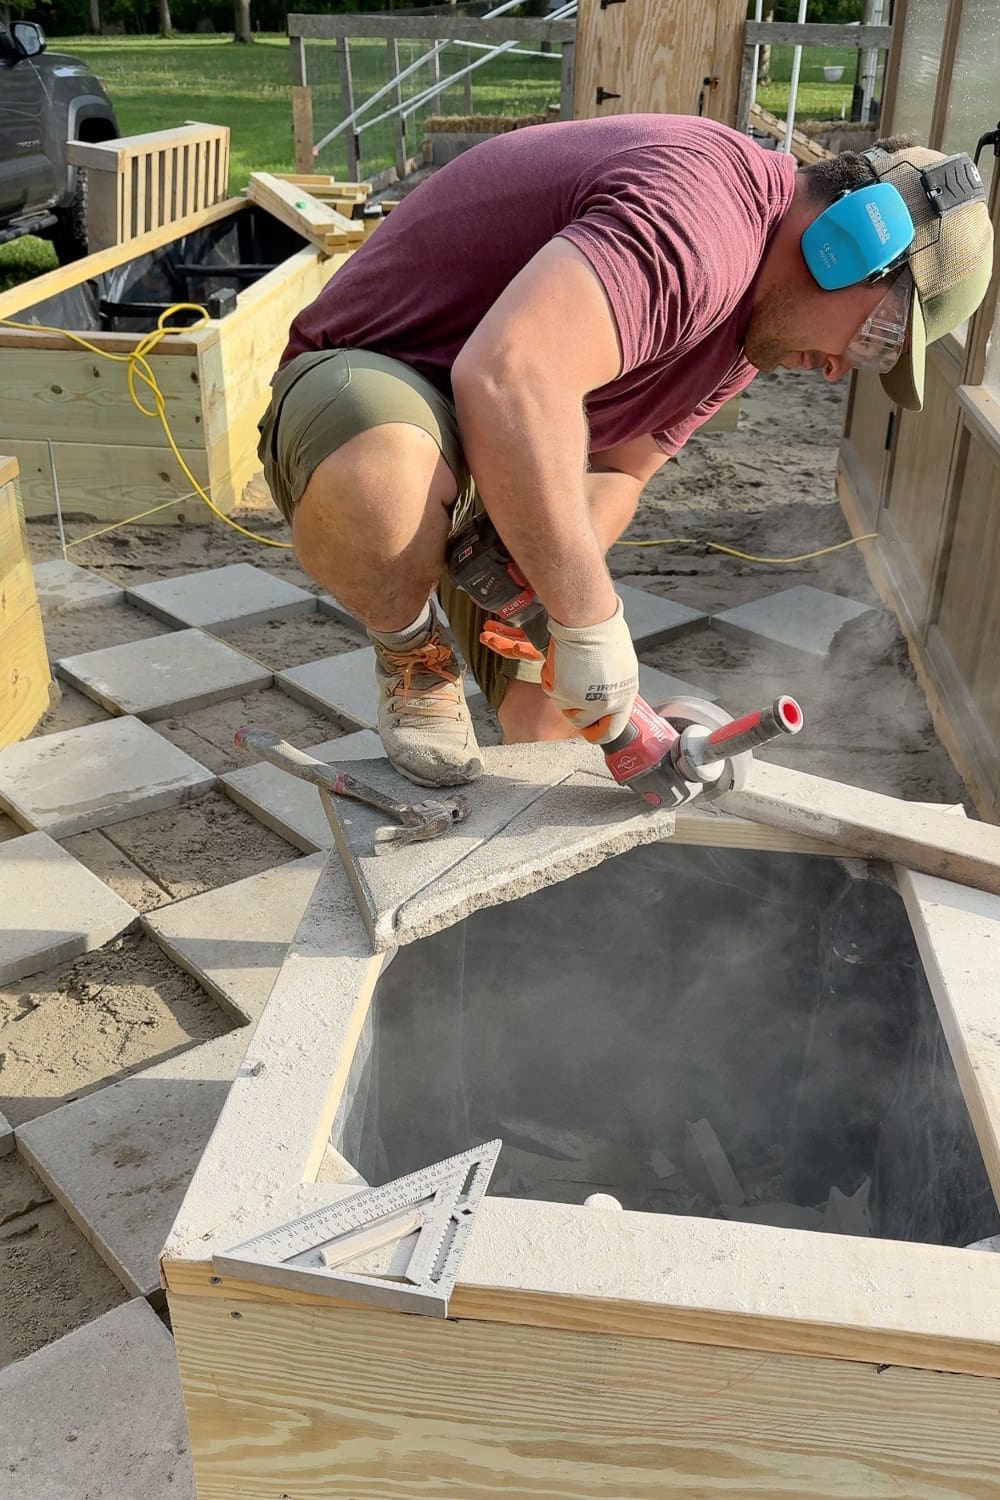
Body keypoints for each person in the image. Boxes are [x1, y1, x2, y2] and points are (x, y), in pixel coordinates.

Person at [258, 116, 993, 789]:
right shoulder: (700, 227)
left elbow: (618, 469)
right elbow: (511, 377)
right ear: (846, 246)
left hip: (495, 444)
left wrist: (555, 625)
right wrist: (587, 619)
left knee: (563, 724)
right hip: (371, 387)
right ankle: (411, 657)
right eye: (877, 338)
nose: (837, 368)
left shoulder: (751, 333)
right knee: (383, 485)